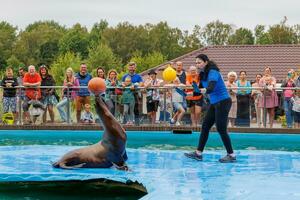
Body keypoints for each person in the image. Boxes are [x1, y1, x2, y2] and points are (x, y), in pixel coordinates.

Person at [185, 54, 236, 163]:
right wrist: (189, 94)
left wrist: (204, 90)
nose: (197, 65)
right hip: (214, 103)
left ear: (206, 62)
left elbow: (211, 88)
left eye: (199, 62)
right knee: (205, 126)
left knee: (221, 129)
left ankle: (231, 155)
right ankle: (198, 153)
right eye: (196, 63)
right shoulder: (202, 74)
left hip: (223, 102)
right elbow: (198, 90)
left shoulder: (213, 72)